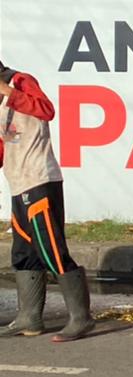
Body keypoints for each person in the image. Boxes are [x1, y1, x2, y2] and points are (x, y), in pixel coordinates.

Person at [0, 61, 94, 341]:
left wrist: (7, 91)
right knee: (23, 254)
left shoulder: (20, 81)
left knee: (52, 250)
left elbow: (46, 110)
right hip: (18, 182)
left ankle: (81, 318)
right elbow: (5, 143)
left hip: (41, 180)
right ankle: (30, 318)